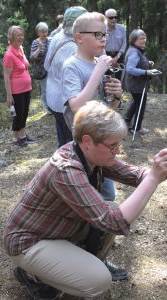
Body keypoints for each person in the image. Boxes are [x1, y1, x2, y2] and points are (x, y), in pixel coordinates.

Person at [3, 101, 167, 300]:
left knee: (110, 206)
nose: (118, 150)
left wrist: (164, 171)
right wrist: (154, 177)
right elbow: (114, 221)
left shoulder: (89, 154)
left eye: (119, 143)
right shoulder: (66, 169)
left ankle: (66, 269)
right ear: (88, 141)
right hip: (28, 242)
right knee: (99, 281)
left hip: (57, 230)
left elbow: (135, 175)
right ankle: (34, 276)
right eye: (113, 145)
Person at [61, 12, 122, 203]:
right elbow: (76, 106)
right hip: (85, 145)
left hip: (103, 140)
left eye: (105, 35)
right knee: (91, 194)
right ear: (79, 38)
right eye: (97, 34)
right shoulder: (71, 66)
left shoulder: (98, 64)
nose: (103, 39)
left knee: (106, 193)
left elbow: (109, 106)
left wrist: (118, 95)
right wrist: (98, 72)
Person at [44, 6, 88, 148]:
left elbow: (46, 66)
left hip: (54, 98)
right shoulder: (74, 48)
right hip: (66, 103)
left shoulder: (57, 37)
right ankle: (69, 166)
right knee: (72, 142)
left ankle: (61, 161)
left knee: (62, 137)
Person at [3, 26, 35, 147]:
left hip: (26, 88)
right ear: (11, 37)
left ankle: (22, 136)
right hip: (17, 90)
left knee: (24, 112)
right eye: (17, 35)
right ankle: (18, 138)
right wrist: (9, 95)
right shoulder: (9, 55)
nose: (21, 37)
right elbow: (6, 76)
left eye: (22, 34)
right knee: (19, 114)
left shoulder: (20, 49)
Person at [122, 29, 157, 135]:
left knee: (136, 103)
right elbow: (131, 69)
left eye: (145, 37)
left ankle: (126, 121)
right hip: (136, 84)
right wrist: (147, 71)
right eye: (141, 38)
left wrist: (147, 62)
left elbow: (138, 63)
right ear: (134, 40)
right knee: (140, 105)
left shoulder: (136, 50)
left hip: (135, 84)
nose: (144, 40)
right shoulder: (134, 52)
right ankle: (137, 128)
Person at [30, 22, 50, 113]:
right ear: (38, 33)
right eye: (42, 32)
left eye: (46, 31)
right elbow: (32, 57)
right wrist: (39, 48)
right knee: (45, 90)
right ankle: (48, 108)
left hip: (51, 68)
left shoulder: (50, 40)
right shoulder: (35, 42)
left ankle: (53, 105)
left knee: (53, 87)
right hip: (42, 70)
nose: (45, 33)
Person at [104, 8, 127, 80]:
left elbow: (124, 43)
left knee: (118, 79)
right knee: (106, 79)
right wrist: (109, 59)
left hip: (119, 56)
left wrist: (117, 57)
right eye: (111, 18)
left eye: (115, 17)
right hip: (105, 56)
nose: (113, 19)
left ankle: (119, 91)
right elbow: (99, 45)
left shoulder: (122, 28)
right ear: (106, 18)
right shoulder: (102, 29)